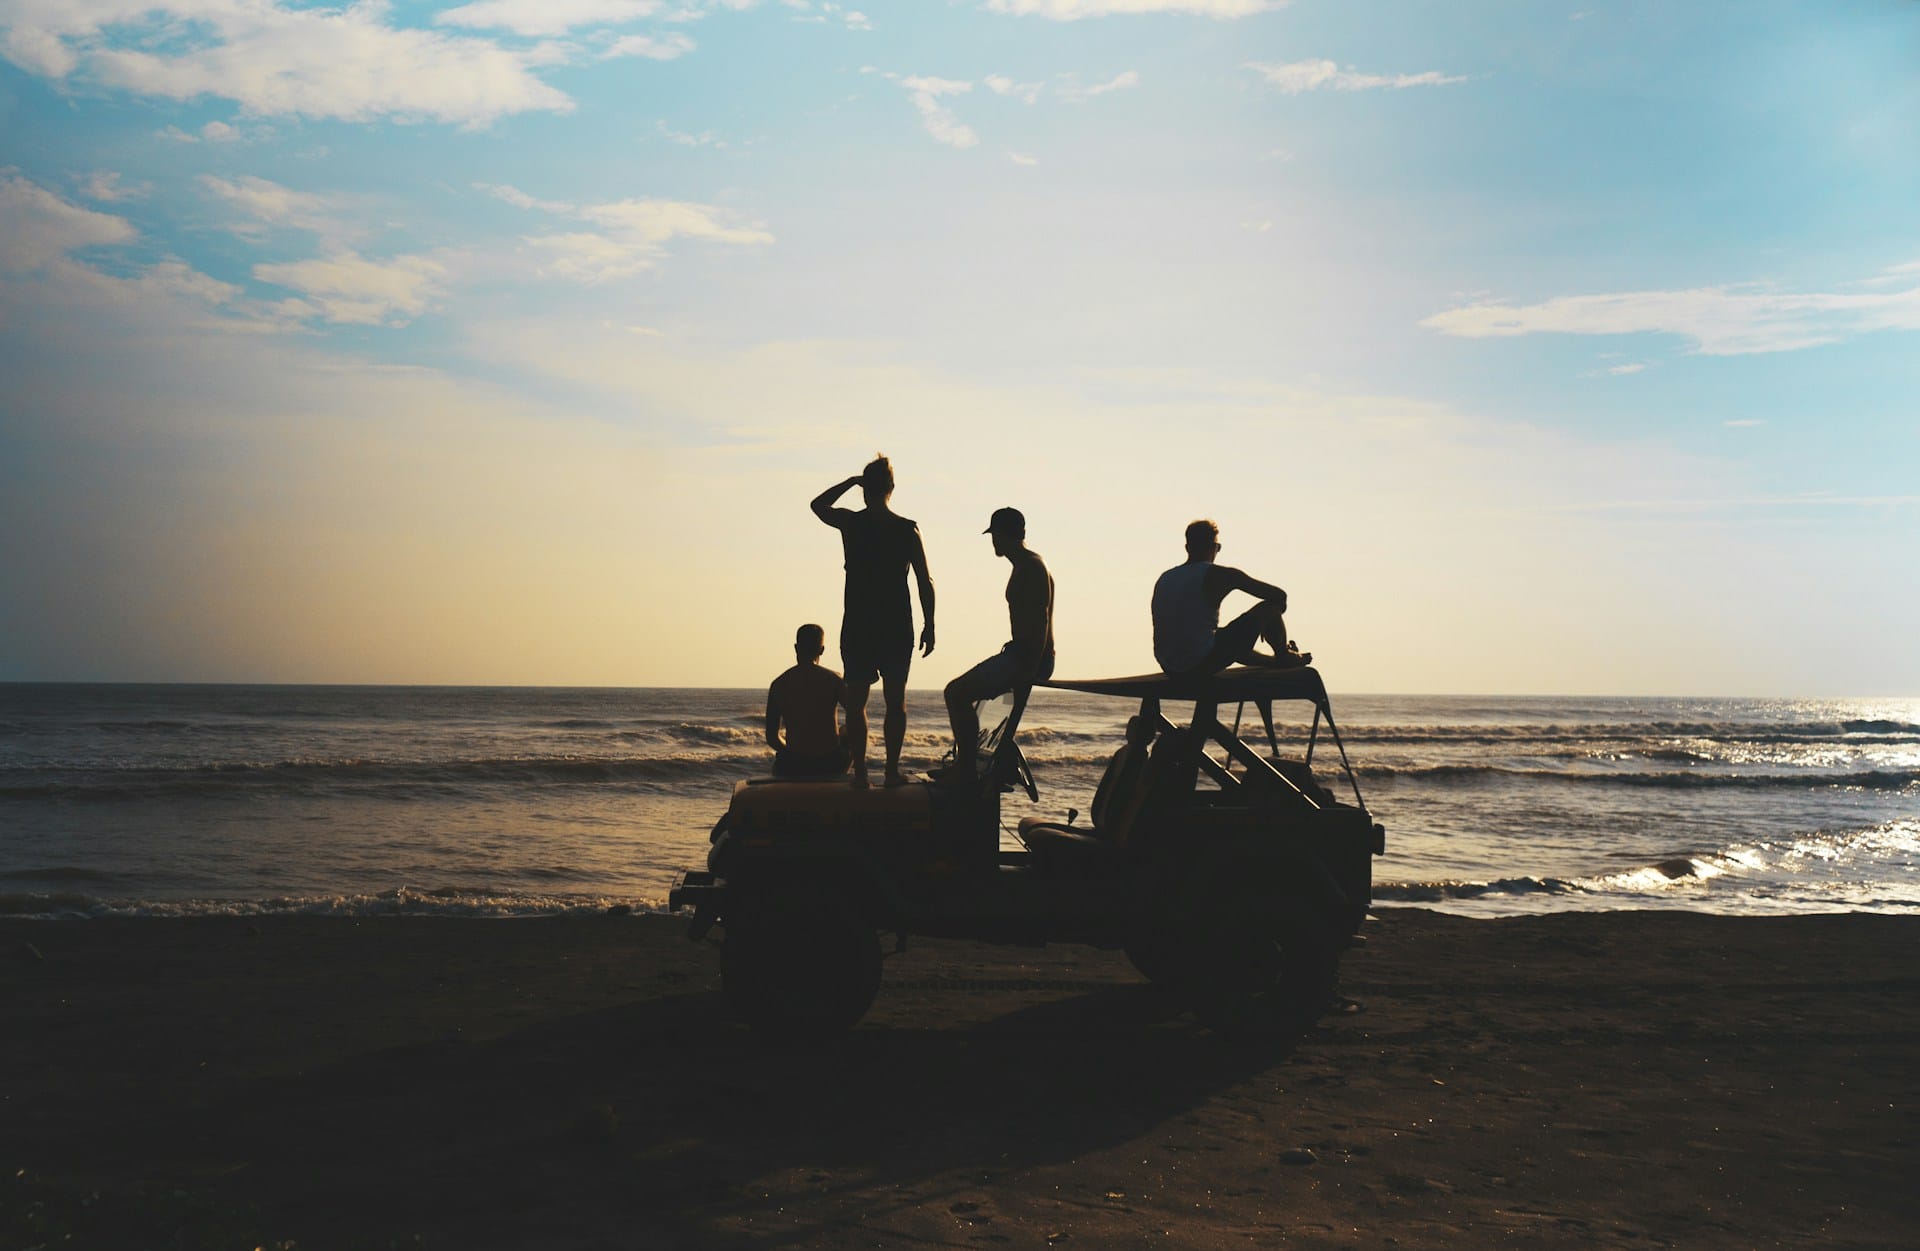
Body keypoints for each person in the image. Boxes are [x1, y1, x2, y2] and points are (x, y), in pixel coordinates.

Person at [811, 455, 936, 788]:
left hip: (859, 626)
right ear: (892, 488)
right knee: (895, 703)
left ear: (866, 489)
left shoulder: (853, 524)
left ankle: (862, 773)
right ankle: (891, 771)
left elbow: (818, 505)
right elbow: (925, 581)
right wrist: (931, 624)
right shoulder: (907, 529)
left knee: (857, 704)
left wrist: (851, 482)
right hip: (896, 626)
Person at [945, 507, 1054, 782]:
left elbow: (1041, 620)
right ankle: (980, 763)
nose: (994, 542)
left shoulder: (1031, 567)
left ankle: (966, 769)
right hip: (1021, 654)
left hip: (1027, 657)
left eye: (998, 536)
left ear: (1012, 536)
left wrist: (1028, 668)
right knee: (976, 704)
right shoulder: (1027, 565)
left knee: (956, 693)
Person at [1151, 518, 1310, 676]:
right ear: (1214, 547)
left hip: (1169, 667)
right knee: (1269, 608)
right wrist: (1267, 621)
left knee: (1218, 637)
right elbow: (1279, 596)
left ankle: (1273, 661)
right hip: (1200, 664)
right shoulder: (1222, 575)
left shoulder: (1166, 577)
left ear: (1187, 547)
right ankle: (1283, 655)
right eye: (1217, 547)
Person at [765, 624, 852, 779]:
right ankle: (855, 775)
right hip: (830, 762)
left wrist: (789, 752)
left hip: (795, 764)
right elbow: (856, 714)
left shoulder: (779, 684)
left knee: (781, 758)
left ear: (796, 648)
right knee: (849, 728)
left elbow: (772, 737)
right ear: (822, 650)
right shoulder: (834, 680)